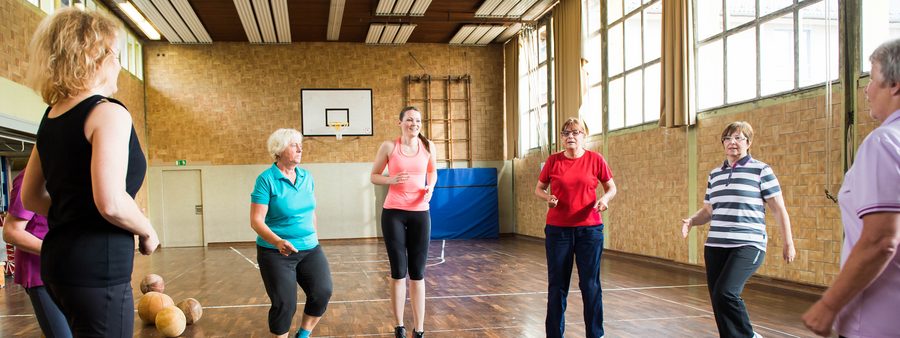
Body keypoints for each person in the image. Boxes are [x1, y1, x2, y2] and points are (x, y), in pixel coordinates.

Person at [21, 7, 159, 337]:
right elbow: (110, 201)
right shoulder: (107, 114)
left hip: (58, 264)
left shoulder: (52, 115)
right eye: (116, 55)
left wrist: (77, 213)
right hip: (96, 269)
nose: (119, 65)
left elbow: (30, 196)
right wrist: (147, 229)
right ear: (94, 56)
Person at [801, 39, 900, 338]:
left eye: (871, 79)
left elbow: (881, 240)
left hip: (877, 320)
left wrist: (828, 305)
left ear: (894, 84)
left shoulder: (884, 142)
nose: (867, 90)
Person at [681, 121, 796, 338]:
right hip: (715, 245)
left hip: (748, 244)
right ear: (723, 143)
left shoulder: (761, 170)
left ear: (748, 143)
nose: (732, 142)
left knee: (726, 292)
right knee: (717, 297)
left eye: (739, 138)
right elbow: (709, 210)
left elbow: (778, 209)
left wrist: (788, 242)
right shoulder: (715, 174)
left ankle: (748, 335)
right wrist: (692, 221)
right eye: (728, 138)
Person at [534, 117, 616, 338]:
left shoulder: (595, 159)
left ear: (584, 135)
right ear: (561, 138)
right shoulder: (553, 161)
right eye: (566, 133)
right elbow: (539, 189)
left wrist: (605, 199)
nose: (571, 136)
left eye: (576, 132)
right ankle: (554, 334)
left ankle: (595, 334)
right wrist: (547, 198)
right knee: (557, 286)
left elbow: (611, 187)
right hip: (558, 231)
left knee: (590, 286)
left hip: (589, 231)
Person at [251, 128, 333, 338]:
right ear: (279, 150)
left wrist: (314, 237)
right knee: (284, 304)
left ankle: (304, 334)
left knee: (322, 293)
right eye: (293, 145)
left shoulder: (307, 177)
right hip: (275, 252)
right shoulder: (266, 180)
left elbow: (312, 211)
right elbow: (256, 220)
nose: (300, 148)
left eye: (300, 144)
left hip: (310, 248)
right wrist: (278, 242)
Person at [370, 106, 438, 338]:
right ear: (400, 122)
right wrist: (392, 179)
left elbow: (433, 171)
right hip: (394, 214)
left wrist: (431, 187)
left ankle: (418, 329)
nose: (414, 124)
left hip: (420, 213)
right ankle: (399, 325)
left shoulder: (428, 146)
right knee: (398, 272)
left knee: (418, 273)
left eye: (418, 120)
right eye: (409, 120)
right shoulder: (390, 147)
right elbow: (374, 176)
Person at [3, 170, 71, 338]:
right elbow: (11, 231)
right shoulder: (30, 177)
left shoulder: (66, 170)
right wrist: (57, 251)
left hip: (68, 269)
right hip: (39, 272)